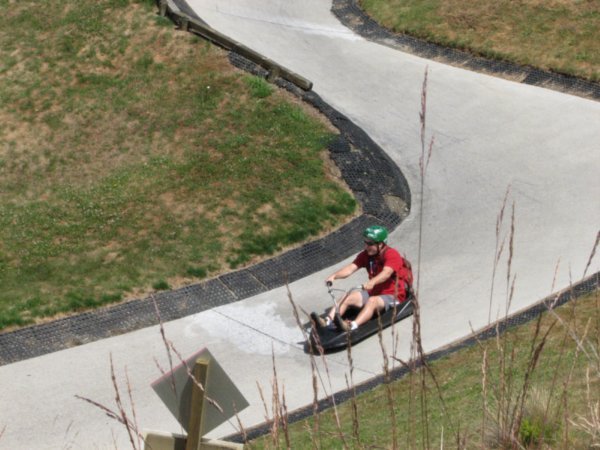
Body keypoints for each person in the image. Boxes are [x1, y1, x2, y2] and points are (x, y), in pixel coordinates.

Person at [311, 225, 412, 332]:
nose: (366, 246)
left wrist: (372, 282)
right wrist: (334, 276)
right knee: (348, 297)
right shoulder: (366, 255)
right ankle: (327, 321)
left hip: (393, 296)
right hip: (375, 292)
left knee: (372, 301)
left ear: (381, 244)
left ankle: (352, 326)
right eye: (365, 242)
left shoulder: (391, 254)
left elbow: (386, 273)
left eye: (370, 243)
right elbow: (351, 268)